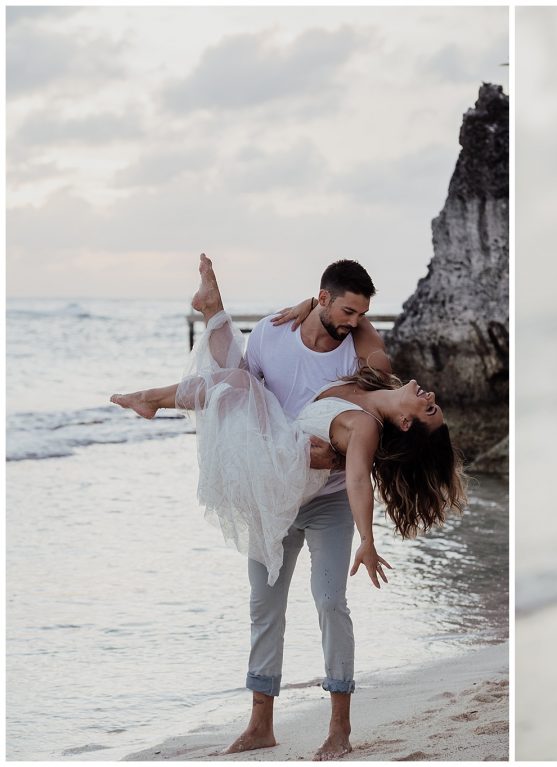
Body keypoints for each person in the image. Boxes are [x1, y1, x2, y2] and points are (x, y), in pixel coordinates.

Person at [112, 255, 466, 760]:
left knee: (329, 603)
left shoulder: (366, 372)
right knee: (264, 604)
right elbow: (246, 385)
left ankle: (339, 728)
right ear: (323, 299)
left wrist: (367, 538)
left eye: (357, 315)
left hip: (325, 501)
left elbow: (361, 474)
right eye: (343, 311)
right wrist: (305, 307)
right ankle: (261, 724)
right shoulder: (286, 338)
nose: (352, 323)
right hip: (275, 488)